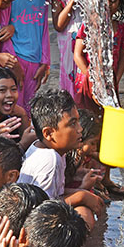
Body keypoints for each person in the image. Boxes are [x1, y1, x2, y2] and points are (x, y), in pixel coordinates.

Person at [18, 88, 105, 228]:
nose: (80, 129)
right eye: (72, 123)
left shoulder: (52, 150)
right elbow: (42, 210)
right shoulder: (49, 159)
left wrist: (81, 190)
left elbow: (54, 194)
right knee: (84, 216)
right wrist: (81, 196)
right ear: (48, 133)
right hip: (31, 224)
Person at [50, 0, 99, 101]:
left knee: (92, 85)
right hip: (68, 47)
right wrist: (73, 0)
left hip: (90, 43)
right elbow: (58, 24)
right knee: (70, 90)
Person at [2, 0, 51, 108]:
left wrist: (45, 62)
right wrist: (12, 61)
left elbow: (43, 28)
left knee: (28, 109)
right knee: (12, 107)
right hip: (15, 58)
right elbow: (2, 29)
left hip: (35, 62)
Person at [73, 0, 124, 109]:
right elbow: (77, 54)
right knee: (87, 114)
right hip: (87, 82)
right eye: (104, 0)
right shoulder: (89, 26)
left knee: (107, 114)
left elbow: (122, 58)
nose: (108, 4)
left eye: (113, 0)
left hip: (109, 83)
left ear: (119, 1)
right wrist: (93, 79)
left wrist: (115, 80)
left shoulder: (120, 29)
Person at [65, 110, 124, 199]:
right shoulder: (68, 159)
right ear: (80, 139)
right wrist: (83, 188)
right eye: (92, 143)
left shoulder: (82, 156)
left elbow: (112, 164)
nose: (95, 148)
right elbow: (60, 190)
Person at [0, 67, 34, 150]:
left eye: (13, 89)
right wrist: (23, 145)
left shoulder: (12, 114)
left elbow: (26, 138)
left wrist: (23, 115)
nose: (9, 95)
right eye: (2, 90)